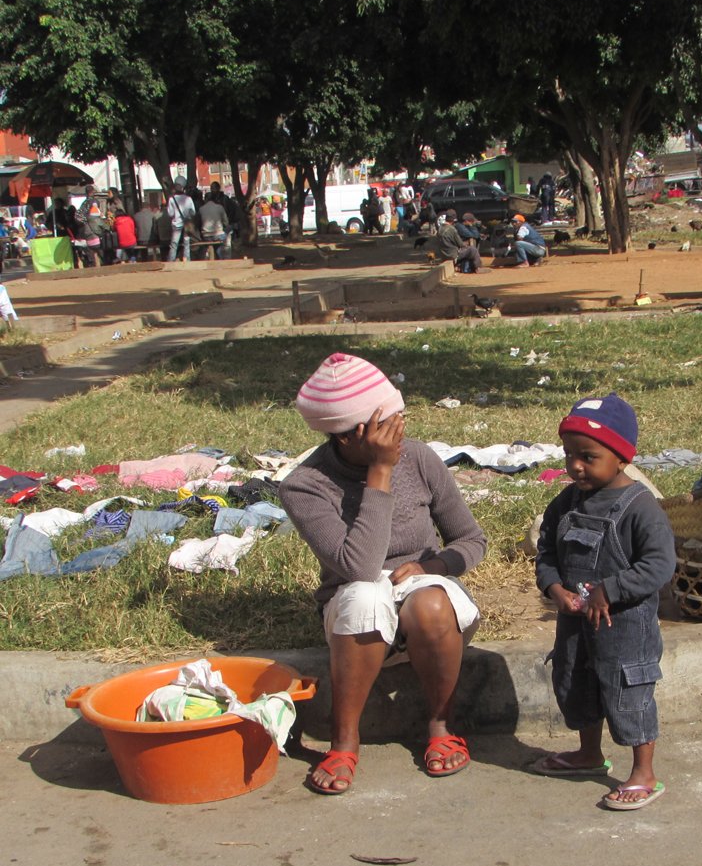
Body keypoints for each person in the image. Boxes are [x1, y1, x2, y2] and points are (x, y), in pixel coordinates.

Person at [279, 352, 487, 795]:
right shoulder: (305, 485)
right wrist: (380, 474)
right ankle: (344, 741)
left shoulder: (421, 459)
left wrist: (432, 566)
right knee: (366, 594)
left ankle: (440, 725)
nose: (402, 432)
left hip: (423, 597)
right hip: (356, 605)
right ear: (355, 434)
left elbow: (471, 540)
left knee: (431, 600)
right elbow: (358, 566)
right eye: (388, 424)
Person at [533, 393, 675, 810]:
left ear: (622, 458)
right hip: (576, 624)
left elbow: (659, 564)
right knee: (578, 685)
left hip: (624, 628)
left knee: (628, 693)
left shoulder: (641, 508)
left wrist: (609, 590)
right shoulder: (565, 504)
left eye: (588, 456)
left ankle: (643, 772)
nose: (575, 465)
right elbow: (547, 554)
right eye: (569, 454)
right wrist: (554, 588)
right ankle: (589, 753)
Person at [167, 177, 196, 261]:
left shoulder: (172, 199)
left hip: (176, 224)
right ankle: (187, 259)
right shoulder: (189, 199)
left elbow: (170, 213)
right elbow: (193, 212)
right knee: (186, 243)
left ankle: (171, 260)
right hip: (187, 224)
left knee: (174, 244)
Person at [198, 192, 229, 259]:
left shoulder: (201, 209)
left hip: (206, 236)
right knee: (229, 230)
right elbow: (226, 222)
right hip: (218, 235)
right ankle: (224, 256)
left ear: (205, 199)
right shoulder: (220, 207)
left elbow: (199, 223)